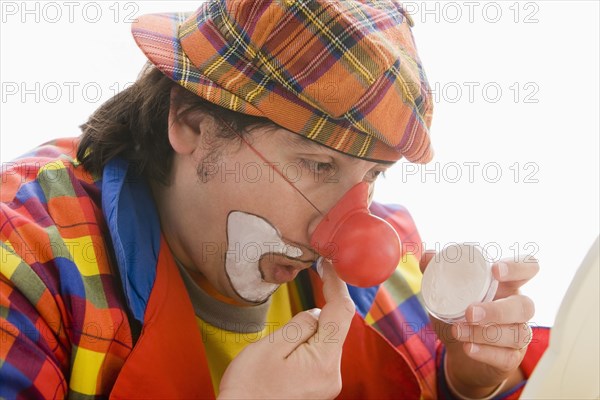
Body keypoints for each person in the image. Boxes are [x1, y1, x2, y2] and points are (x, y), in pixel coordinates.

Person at [0, 0, 549, 398]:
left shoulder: (387, 265)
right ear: (191, 121)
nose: (351, 231)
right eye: (318, 165)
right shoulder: (24, 254)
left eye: (374, 176)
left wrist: (469, 381)